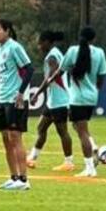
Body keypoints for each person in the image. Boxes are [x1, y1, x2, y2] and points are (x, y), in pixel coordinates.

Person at [48, 26, 106, 178]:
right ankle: (92, 145)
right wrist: (95, 90)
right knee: (79, 126)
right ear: (93, 39)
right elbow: (102, 76)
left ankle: (90, 168)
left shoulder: (73, 51)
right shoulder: (100, 52)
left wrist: (49, 80)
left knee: (81, 132)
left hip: (77, 97)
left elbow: (60, 71)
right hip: (92, 97)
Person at [0, 18, 33, 190]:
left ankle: (23, 179)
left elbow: (29, 69)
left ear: (7, 31)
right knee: (5, 138)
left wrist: (21, 93)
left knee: (15, 137)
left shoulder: (15, 47)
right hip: (2, 98)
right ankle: (13, 177)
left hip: (15, 99)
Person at [26, 31, 75, 172]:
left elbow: (50, 78)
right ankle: (32, 158)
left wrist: (36, 94)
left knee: (62, 131)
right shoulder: (56, 53)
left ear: (47, 42)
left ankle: (68, 162)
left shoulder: (52, 57)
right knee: (41, 127)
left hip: (60, 100)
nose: (39, 46)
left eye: (40, 43)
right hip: (53, 101)